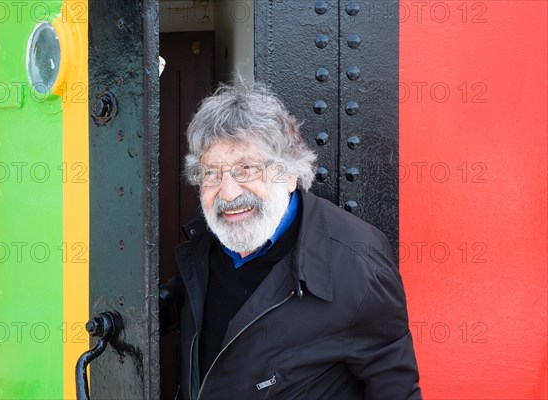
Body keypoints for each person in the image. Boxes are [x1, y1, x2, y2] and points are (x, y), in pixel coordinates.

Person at [160, 82, 422, 399]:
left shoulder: (357, 261)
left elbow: (395, 391)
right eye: (212, 173)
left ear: (290, 174)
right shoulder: (201, 244)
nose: (228, 193)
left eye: (247, 168)